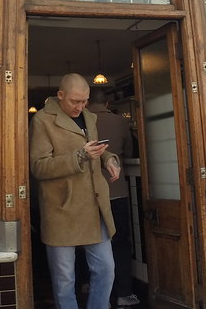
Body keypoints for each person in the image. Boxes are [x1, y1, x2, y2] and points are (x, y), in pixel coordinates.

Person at [30, 74, 118, 309]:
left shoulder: (89, 117)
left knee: (106, 269)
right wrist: (80, 156)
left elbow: (94, 150)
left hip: (93, 205)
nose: (80, 107)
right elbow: (38, 166)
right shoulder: (42, 120)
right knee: (64, 279)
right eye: (75, 101)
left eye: (84, 101)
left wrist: (108, 158)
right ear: (60, 96)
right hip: (61, 208)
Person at [87, 89, 138, 308]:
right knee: (119, 242)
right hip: (116, 189)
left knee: (89, 240)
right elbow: (128, 150)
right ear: (108, 103)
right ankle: (123, 292)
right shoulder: (120, 121)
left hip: (90, 193)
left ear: (87, 103)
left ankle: (88, 286)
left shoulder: (83, 121)